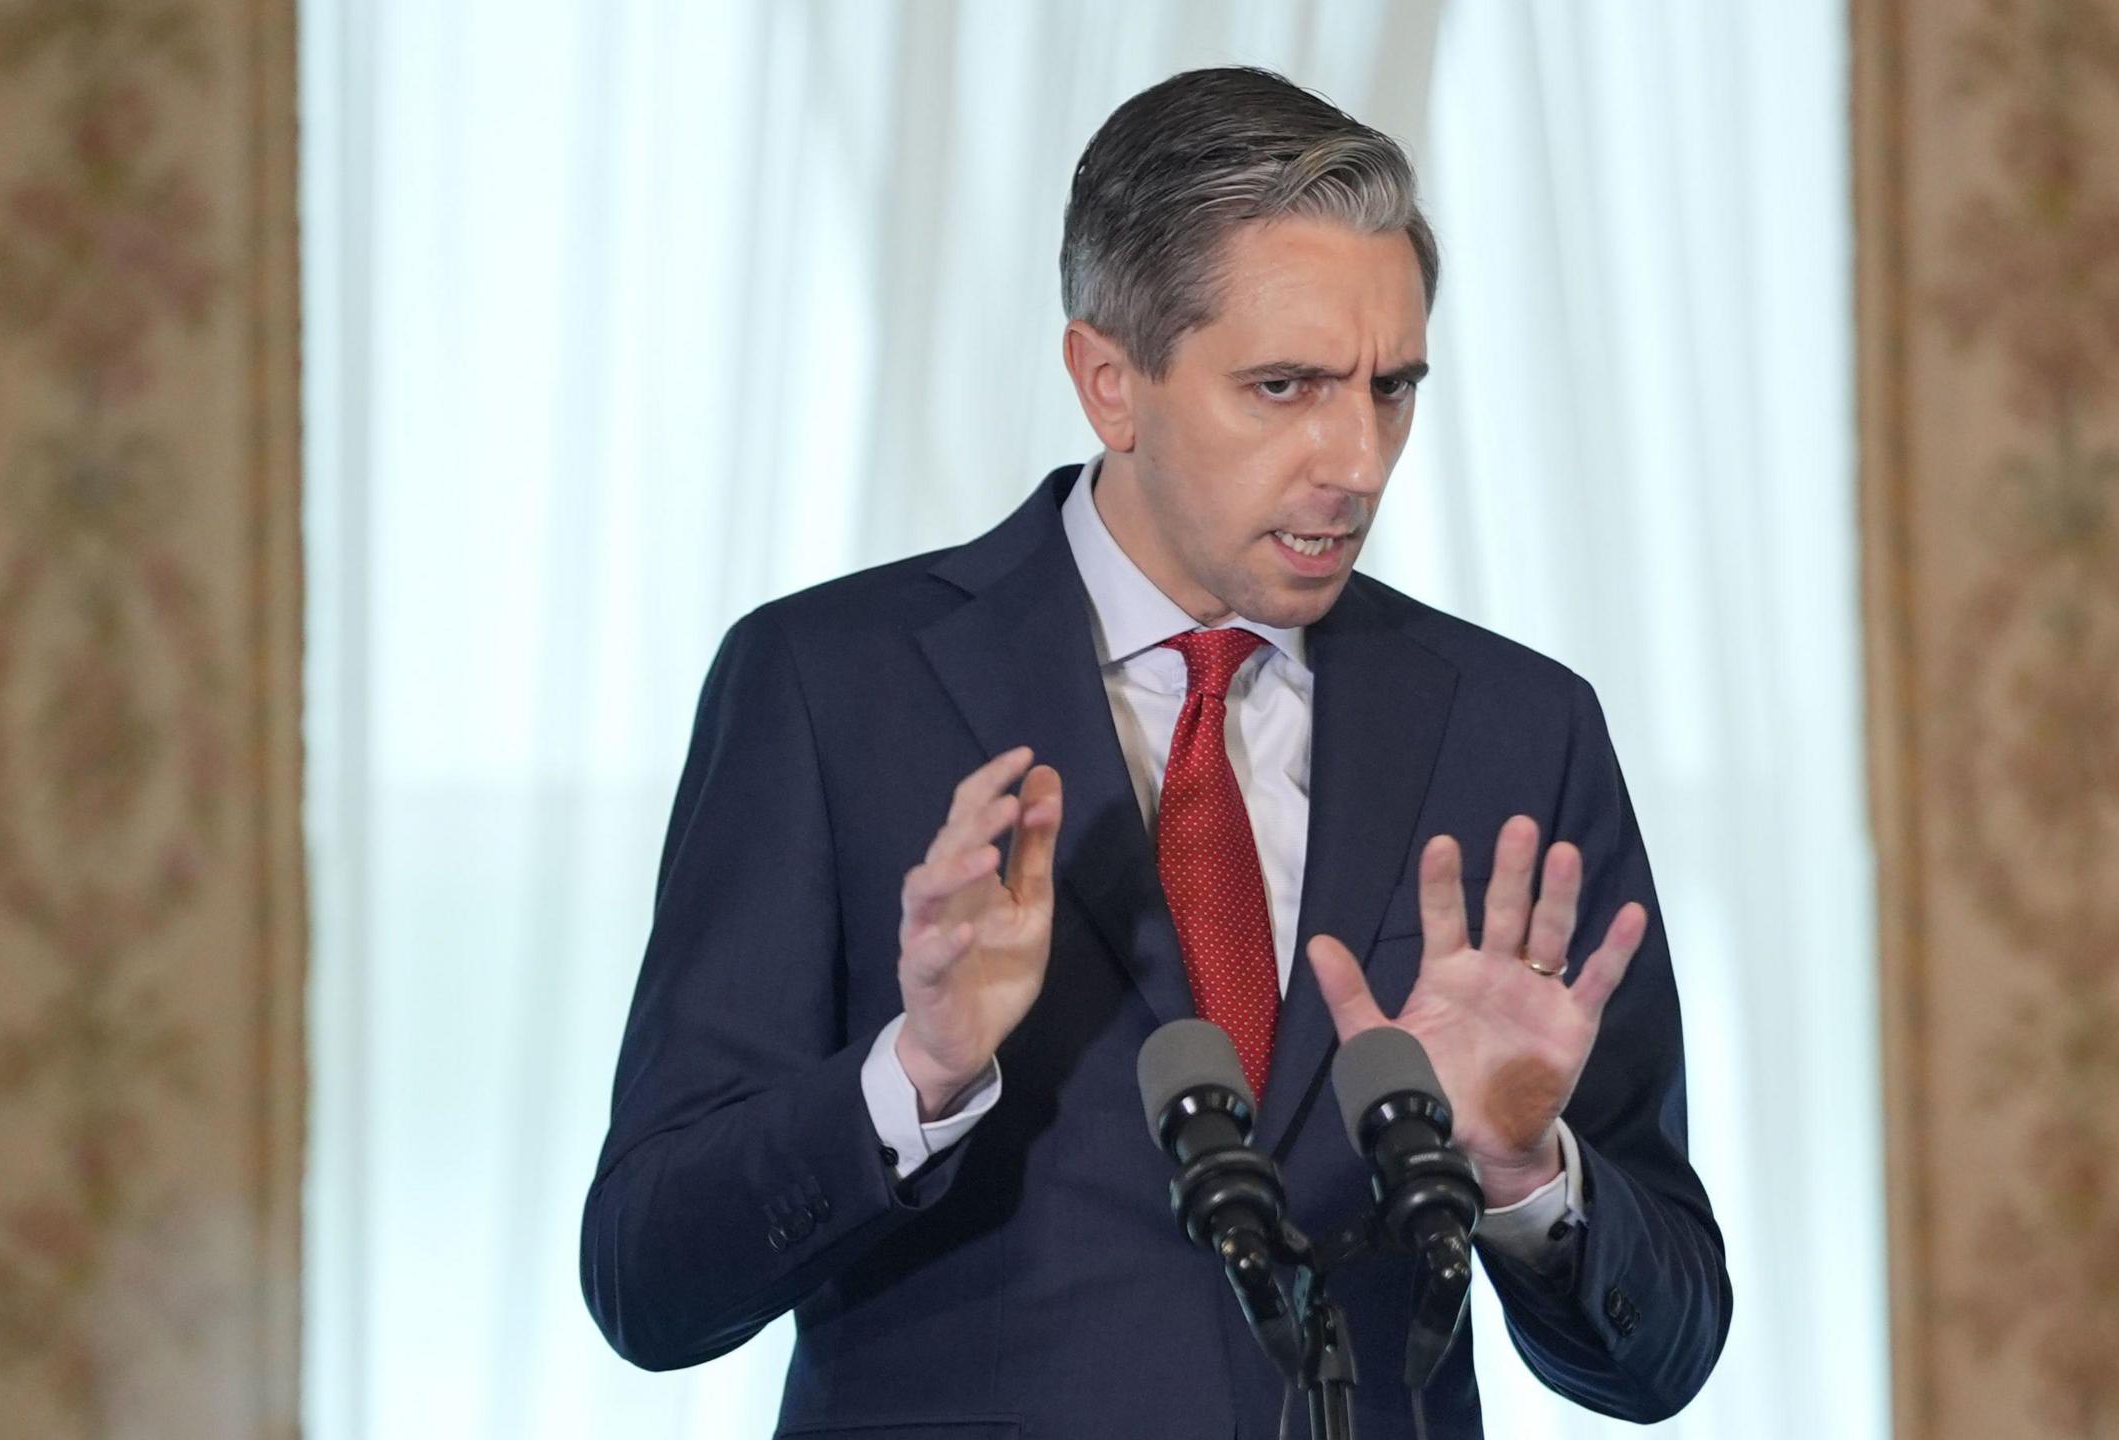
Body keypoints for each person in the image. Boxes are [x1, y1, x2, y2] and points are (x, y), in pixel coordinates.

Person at [581, 65, 1730, 1439]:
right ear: (1109, 382)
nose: (1356, 459)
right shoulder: (829, 688)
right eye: (1287, 386)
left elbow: (1664, 1354)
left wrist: (1521, 1167)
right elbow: (648, 1281)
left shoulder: (1518, 728)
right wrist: (917, 1070)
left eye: (1392, 389)